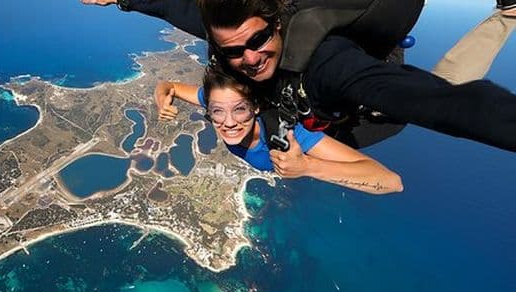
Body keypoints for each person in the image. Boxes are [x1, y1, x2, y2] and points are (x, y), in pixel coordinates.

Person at [79, 0, 516, 152]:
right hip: (315, 105)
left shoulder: (326, 63)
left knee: (436, 90)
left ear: (278, 23)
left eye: (259, 40)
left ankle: (506, 15)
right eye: (234, 50)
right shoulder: (224, 35)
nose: (249, 57)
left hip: (362, 107)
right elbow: (173, 7)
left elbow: (444, 104)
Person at [154, 63, 402, 194]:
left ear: (257, 108)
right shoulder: (218, 100)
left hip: (364, 123)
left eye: (240, 109)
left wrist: (307, 166)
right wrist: (161, 101)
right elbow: (167, 86)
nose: (228, 122)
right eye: (217, 111)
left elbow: (391, 182)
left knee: (401, 108)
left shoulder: (288, 135)